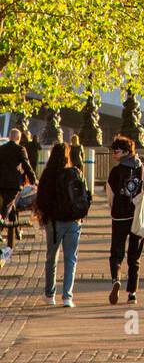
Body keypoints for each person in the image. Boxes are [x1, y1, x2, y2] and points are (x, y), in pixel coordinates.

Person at [35, 142, 90, 308]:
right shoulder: (75, 173)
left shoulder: (48, 175)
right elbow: (86, 195)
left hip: (54, 222)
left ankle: (50, 294)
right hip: (73, 221)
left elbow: (41, 200)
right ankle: (67, 297)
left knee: (51, 258)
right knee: (70, 258)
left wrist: (45, 216)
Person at [106, 135, 144, 305]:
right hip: (137, 216)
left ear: (125, 152)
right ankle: (132, 293)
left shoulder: (116, 171)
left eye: (115, 151)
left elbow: (110, 194)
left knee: (116, 252)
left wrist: (114, 207)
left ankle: (115, 279)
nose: (113, 154)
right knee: (134, 256)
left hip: (119, 216)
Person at [0, 128, 36, 249]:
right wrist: (33, 180)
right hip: (13, 184)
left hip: (1, 183)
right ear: (18, 138)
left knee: (12, 208)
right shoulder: (20, 149)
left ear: (10, 137)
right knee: (6, 207)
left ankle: (16, 232)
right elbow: (26, 166)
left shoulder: (2, 148)